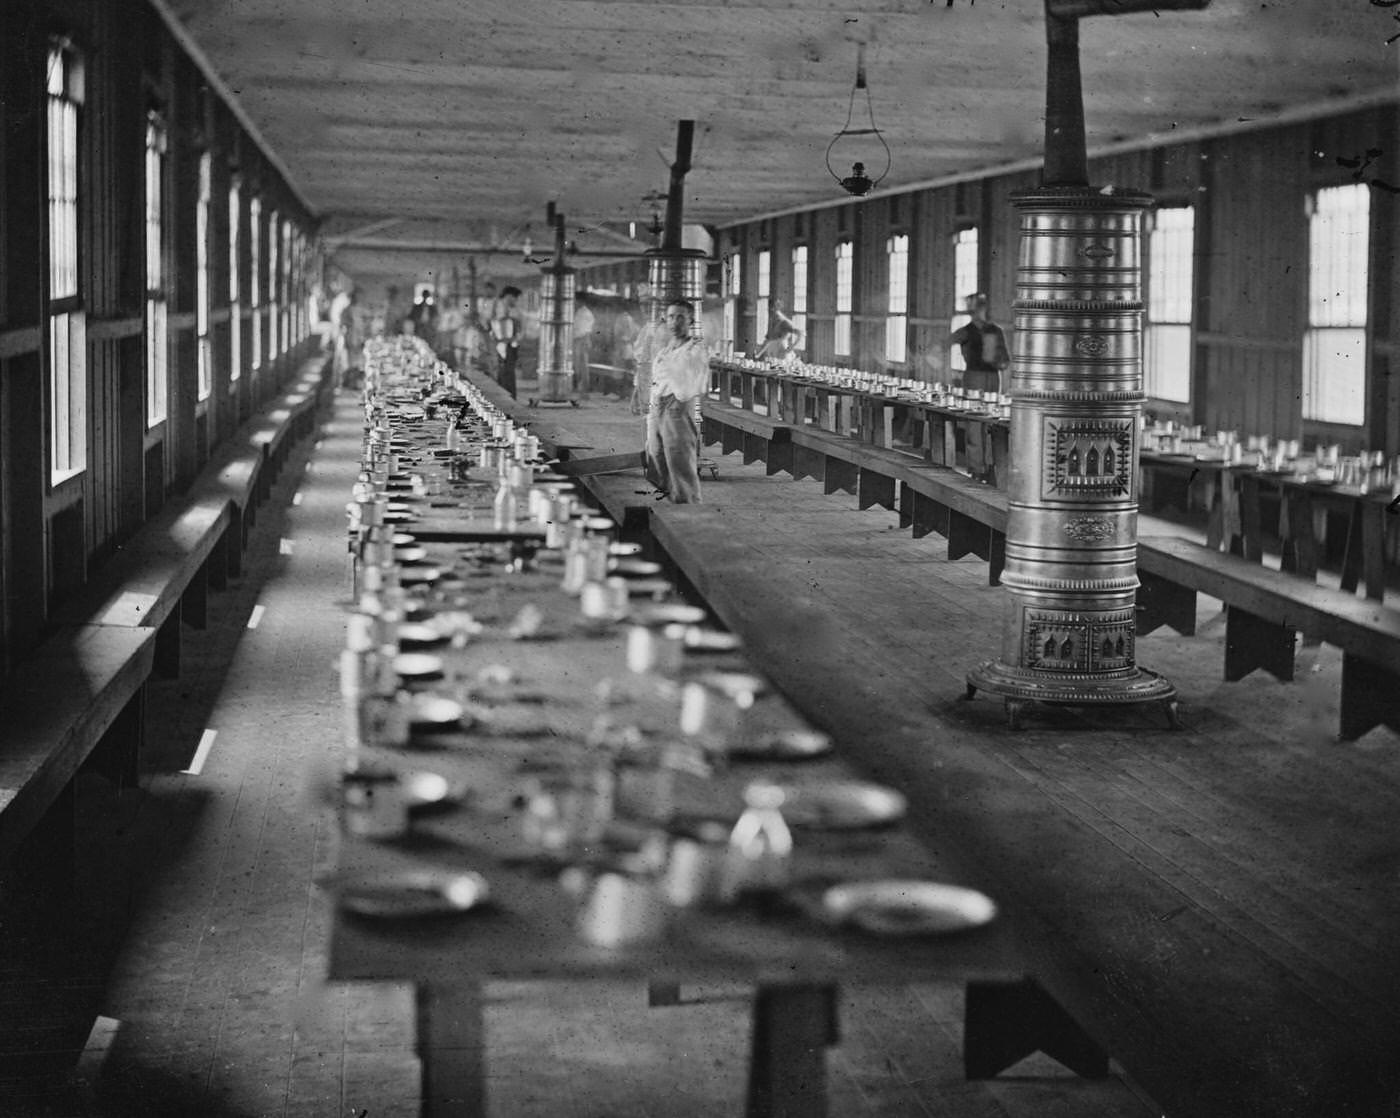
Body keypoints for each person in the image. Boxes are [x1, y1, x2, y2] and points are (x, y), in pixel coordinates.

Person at [644, 298, 709, 504]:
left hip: (678, 408)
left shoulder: (694, 350)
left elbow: (688, 387)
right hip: (658, 406)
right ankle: (663, 504)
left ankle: (687, 505)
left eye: (681, 317)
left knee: (678, 459)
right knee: (655, 454)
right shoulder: (666, 349)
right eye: (671, 317)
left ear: (690, 321)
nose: (674, 322)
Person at [949, 292, 1010, 395]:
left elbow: (1004, 362)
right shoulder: (966, 331)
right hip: (977, 376)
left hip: (989, 377)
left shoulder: (995, 331)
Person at [491, 285, 523, 397]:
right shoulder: (501, 307)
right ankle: (507, 397)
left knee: (505, 372)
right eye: (515, 298)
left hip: (506, 344)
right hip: (505, 344)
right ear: (509, 296)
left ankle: (507, 396)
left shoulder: (504, 307)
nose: (516, 301)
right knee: (506, 372)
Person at [572, 296, 596, 396]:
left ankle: (584, 388)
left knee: (583, 365)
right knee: (578, 364)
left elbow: (584, 329)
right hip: (579, 339)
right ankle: (579, 386)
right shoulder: (580, 312)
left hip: (582, 339)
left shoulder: (585, 313)